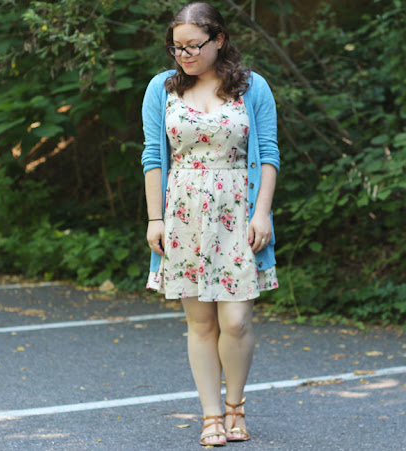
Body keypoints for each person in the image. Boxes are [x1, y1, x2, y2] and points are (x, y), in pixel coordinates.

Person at [141, 1, 280, 446]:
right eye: (176, 47)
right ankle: (211, 415)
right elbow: (151, 157)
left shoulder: (252, 87)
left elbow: (271, 154)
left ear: (219, 39)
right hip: (183, 214)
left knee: (236, 320)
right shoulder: (161, 89)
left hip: (238, 213)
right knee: (200, 322)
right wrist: (155, 219)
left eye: (193, 46)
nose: (184, 55)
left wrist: (262, 213)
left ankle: (236, 406)